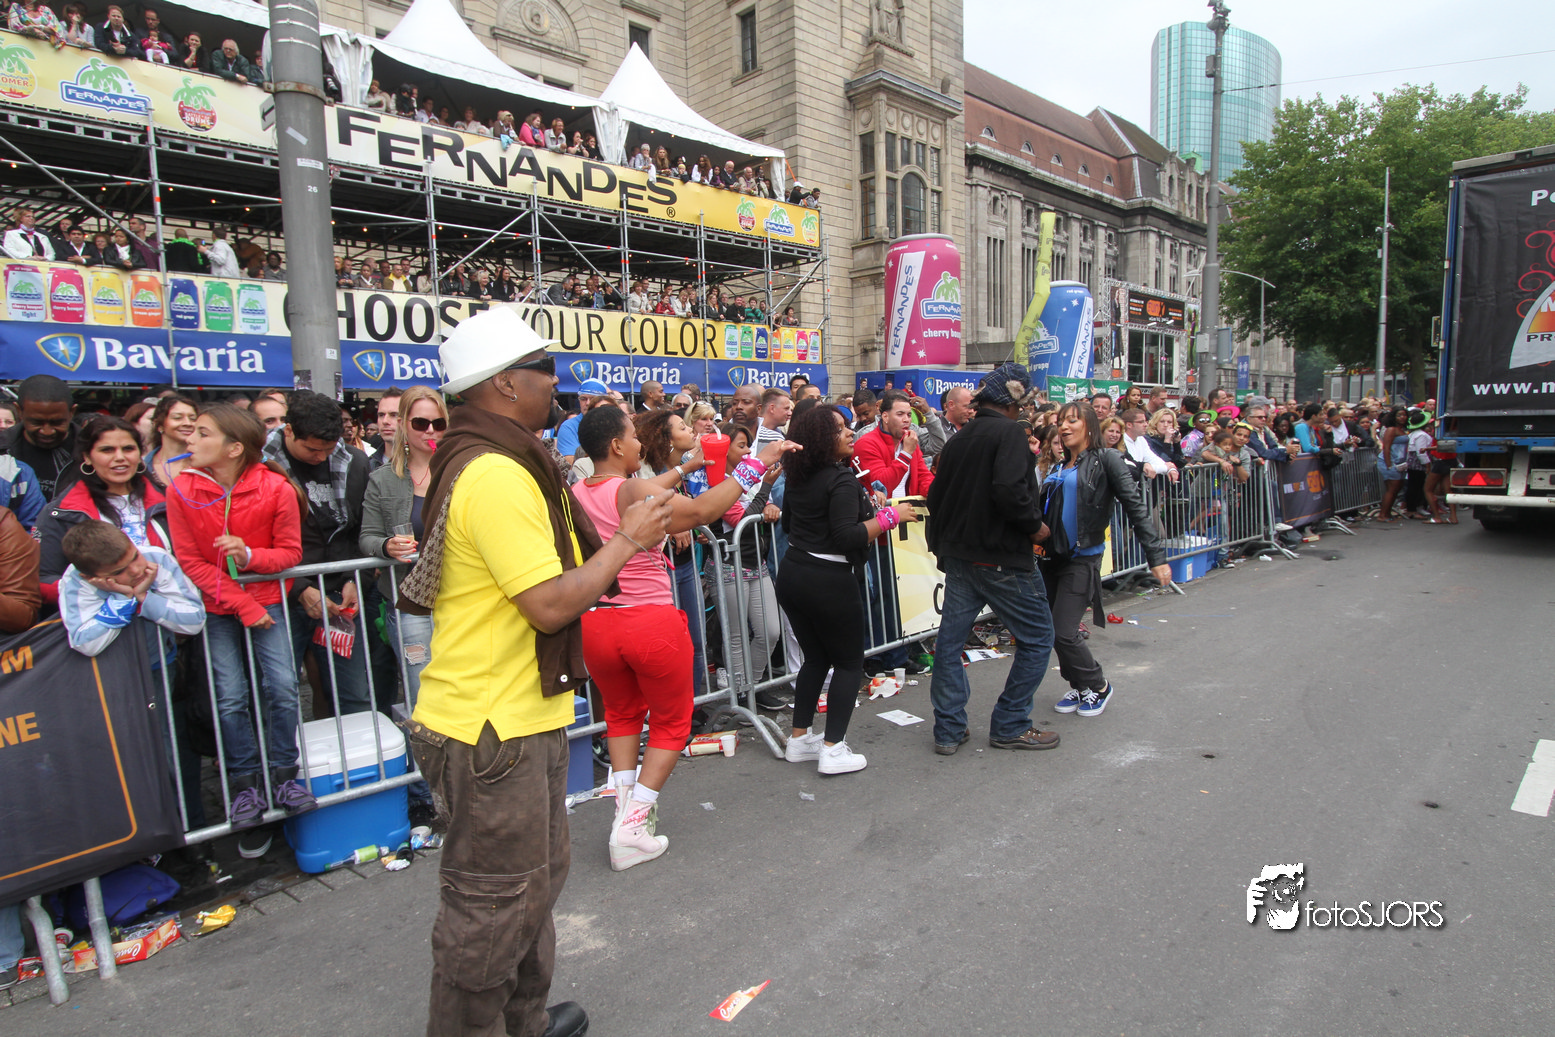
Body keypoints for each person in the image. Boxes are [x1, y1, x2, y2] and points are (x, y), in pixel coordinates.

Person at [402, 308, 670, 1037]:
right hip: (493, 728)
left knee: (530, 890)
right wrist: (627, 541)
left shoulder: (510, 460)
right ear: (502, 383)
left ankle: (522, 1021)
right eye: (543, 367)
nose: (556, 380)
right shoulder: (494, 473)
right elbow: (549, 604)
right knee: (491, 907)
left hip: (520, 715)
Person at [575, 405, 788, 867]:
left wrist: (687, 469)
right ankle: (633, 825)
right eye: (633, 436)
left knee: (622, 716)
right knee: (672, 723)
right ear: (616, 446)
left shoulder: (576, 491)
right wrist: (756, 463)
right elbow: (703, 510)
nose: (639, 443)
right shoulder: (630, 488)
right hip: (648, 621)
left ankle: (624, 817)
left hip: (597, 622)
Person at [167, 404, 312, 846]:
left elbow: (290, 553)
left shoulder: (276, 488)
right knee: (230, 697)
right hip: (220, 609)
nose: (190, 439)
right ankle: (245, 787)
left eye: (202, 433)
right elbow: (189, 560)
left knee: (283, 688)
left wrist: (248, 556)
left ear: (233, 448)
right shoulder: (182, 488)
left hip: (269, 602)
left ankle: (286, 776)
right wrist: (242, 603)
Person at [922, 364, 1060, 754]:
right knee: (1038, 638)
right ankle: (1010, 723)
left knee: (950, 645)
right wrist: (1035, 527)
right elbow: (1009, 491)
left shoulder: (959, 439)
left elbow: (937, 499)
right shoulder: (1009, 434)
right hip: (999, 557)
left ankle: (948, 730)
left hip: (961, 556)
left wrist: (944, 548)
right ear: (1014, 403)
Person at [778, 404, 918, 773]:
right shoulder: (839, 479)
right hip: (829, 579)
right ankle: (833, 748)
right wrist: (890, 517)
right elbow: (845, 536)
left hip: (793, 573)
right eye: (840, 429)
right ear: (822, 439)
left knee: (815, 658)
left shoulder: (798, 475)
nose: (850, 432)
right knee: (848, 662)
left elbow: (789, 524)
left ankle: (799, 739)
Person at [1042, 402, 1171, 717]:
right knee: (1052, 631)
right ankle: (1080, 686)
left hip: (1082, 559)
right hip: (1051, 559)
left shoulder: (1107, 459)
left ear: (1088, 426)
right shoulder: (1059, 466)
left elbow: (1135, 507)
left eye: (1072, 421)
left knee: (1064, 631)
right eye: (1061, 421)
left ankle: (1098, 685)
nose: (1064, 427)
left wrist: (1156, 557)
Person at [262, 391, 373, 718]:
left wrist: (356, 578)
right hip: (282, 592)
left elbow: (363, 529)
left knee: (355, 693)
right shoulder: (260, 468)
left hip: (340, 593)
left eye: (328, 449)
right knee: (278, 693)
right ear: (288, 431)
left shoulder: (354, 462)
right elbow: (257, 539)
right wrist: (299, 588)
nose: (321, 457)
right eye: (312, 450)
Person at [360, 386, 444, 703]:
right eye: (421, 423)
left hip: (462, 596)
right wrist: (387, 546)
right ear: (404, 425)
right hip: (410, 603)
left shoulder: (461, 470)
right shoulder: (384, 479)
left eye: (439, 423)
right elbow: (367, 537)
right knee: (423, 694)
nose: (431, 430)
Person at [37, 414, 169, 606]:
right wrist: (101, 591)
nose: (120, 457)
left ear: (140, 454)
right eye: (107, 450)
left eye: (128, 449)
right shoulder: (61, 513)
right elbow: (43, 580)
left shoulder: (168, 502)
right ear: (87, 457)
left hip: (169, 613)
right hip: (97, 616)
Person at [59, 518, 205, 658]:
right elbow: (85, 644)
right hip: (110, 669)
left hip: (157, 660)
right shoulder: (76, 581)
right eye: (119, 571)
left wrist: (144, 597)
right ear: (88, 576)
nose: (135, 571)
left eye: (135, 557)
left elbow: (195, 621)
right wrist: (122, 598)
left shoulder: (157, 559)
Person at [1, 374, 79, 502]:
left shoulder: (92, 449)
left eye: (57, 423)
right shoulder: (3, 449)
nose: (47, 432)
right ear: (19, 411)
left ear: (72, 412)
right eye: (36, 422)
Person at [144, 393, 198, 489]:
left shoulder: (208, 464)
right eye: (177, 418)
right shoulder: (143, 467)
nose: (188, 423)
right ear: (158, 425)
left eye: (193, 419)